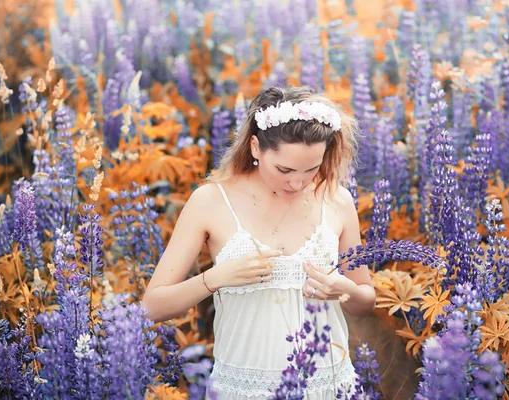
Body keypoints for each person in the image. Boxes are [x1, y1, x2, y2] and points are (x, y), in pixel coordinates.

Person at [141, 86, 377, 399]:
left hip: (327, 384)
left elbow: (365, 301)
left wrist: (344, 289)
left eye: (311, 168)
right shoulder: (211, 201)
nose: (297, 182)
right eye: (284, 169)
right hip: (244, 386)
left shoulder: (337, 200)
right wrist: (214, 279)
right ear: (255, 147)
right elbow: (151, 307)